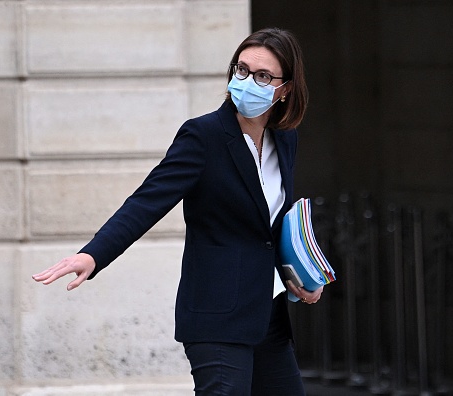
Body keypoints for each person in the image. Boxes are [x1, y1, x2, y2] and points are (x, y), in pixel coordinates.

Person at [32, 27, 323, 395]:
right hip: (216, 316)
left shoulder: (285, 138)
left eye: (263, 76)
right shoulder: (203, 136)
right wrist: (93, 255)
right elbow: (146, 202)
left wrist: (298, 278)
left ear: (286, 90)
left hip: (268, 314)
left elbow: (270, 228)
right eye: (242, 70)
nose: (248, 81)